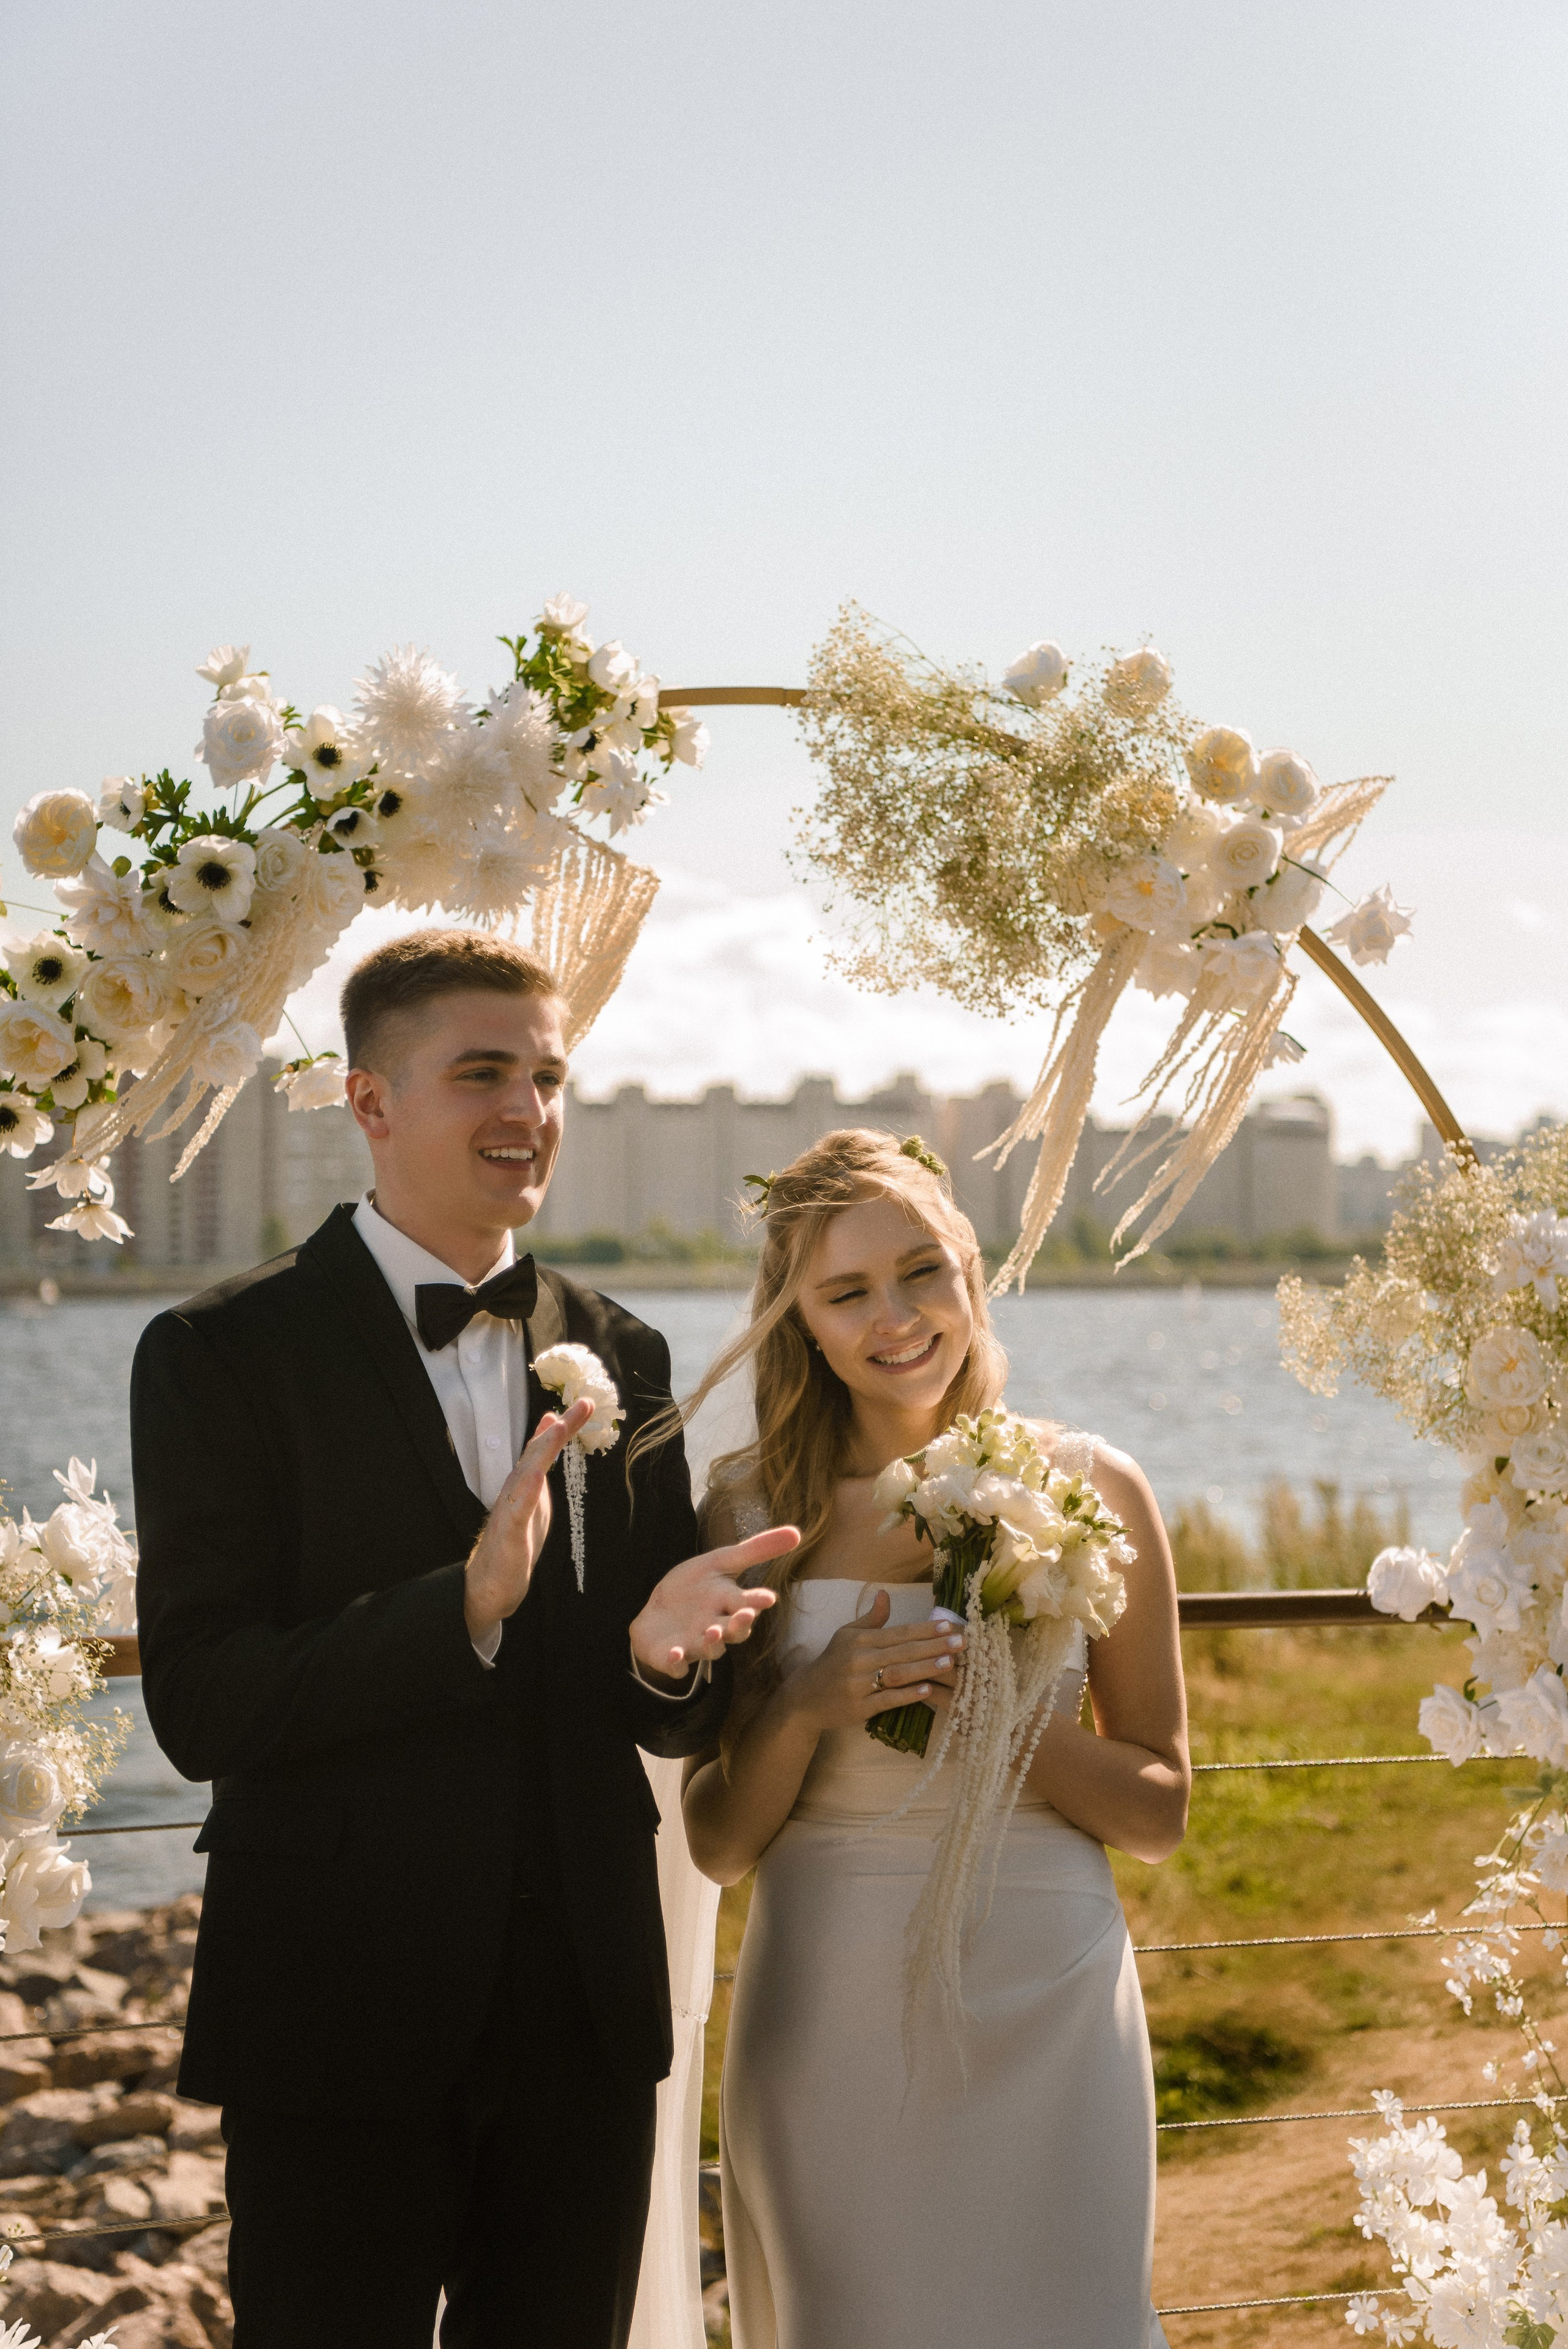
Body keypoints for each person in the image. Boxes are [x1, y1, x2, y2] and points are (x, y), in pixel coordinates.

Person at [130, 929, 796, 2349]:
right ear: (370, 1101)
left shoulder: (621, 1351)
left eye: (548, 1075)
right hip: (337, 2015)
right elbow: (199, 1703)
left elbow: (664, 1718)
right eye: (482, 1072)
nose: (528, 1111)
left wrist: (670, 1658)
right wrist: (463, 1610)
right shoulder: (218, 1354)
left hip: (583, 2019)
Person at [676, 1129, 1189, 2349]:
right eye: (845, 1291)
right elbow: (716, 1844)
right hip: (832, 2002)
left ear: (970, 1269)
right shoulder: (748, 1514)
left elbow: (1158, 1808)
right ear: (796, 1315)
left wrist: (1000, 1721)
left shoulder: (1092, 1489)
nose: (894, 1316)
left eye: (921, 1271)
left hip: (1047, 1995)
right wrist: (803, 1703)